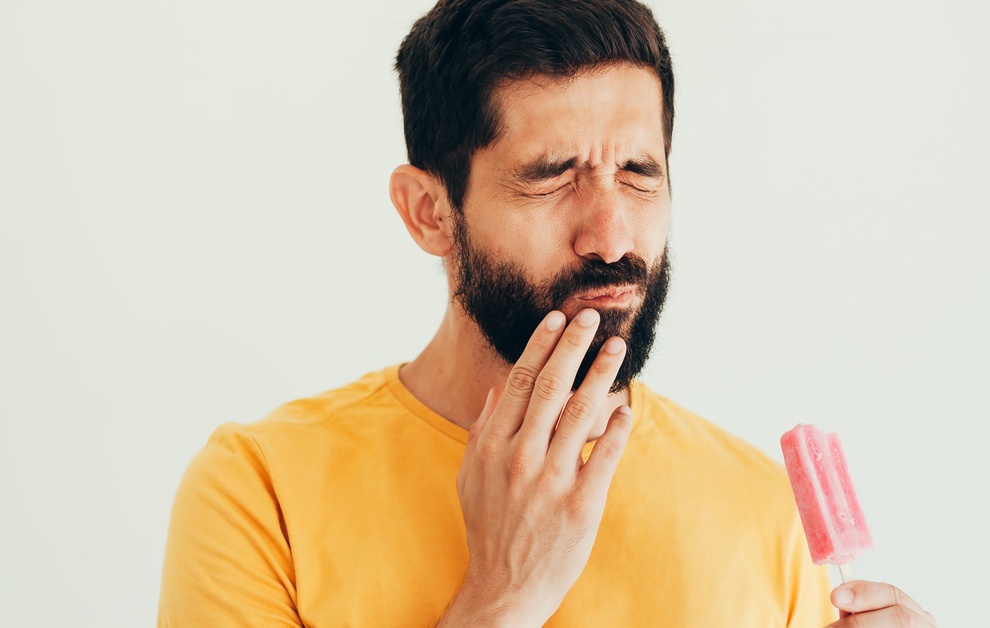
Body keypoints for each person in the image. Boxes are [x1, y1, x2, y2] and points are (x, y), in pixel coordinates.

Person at [157, 1, 936, 626]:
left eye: (638, 172)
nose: (611, 237)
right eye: (550, 175)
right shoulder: (261, 492)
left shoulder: (768, 511)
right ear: (429, 211)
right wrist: (500, 601)